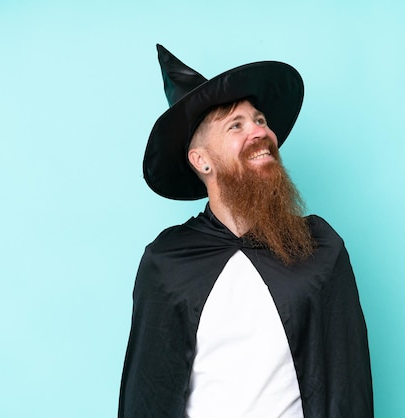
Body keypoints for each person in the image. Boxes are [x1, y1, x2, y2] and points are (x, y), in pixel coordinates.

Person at [119, 44, 374, 418]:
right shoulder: (167, 262)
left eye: (259, 120)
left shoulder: (319, 248)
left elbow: (347, 387)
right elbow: (147, 395)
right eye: (236, 126)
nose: (259, 132)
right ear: (201, 160)